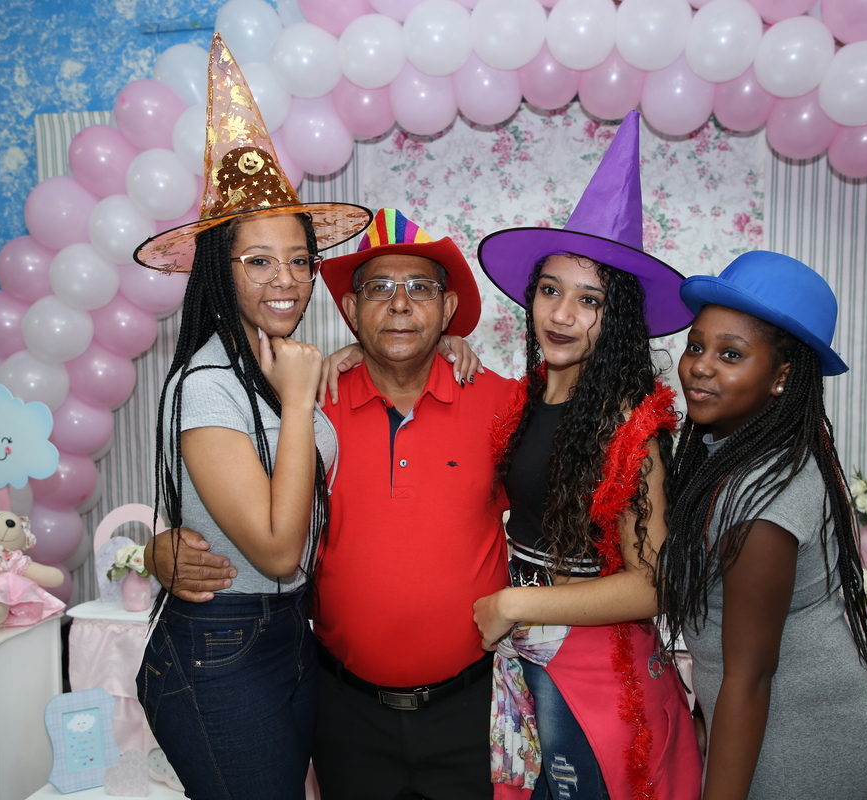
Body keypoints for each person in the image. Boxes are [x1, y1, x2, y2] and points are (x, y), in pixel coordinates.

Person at [147, 206, 515, 800]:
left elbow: (554, 523)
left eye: (421, 289)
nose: (400, 305)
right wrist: (159, 549)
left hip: (470, 707)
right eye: (379, 289)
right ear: (349, 309)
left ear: (448, 309)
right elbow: (230, 490)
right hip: (342, 709)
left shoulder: (503, 404)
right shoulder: (309, 399)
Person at [128, 34, 372, 798]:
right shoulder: (208, 383)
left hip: (288, 635)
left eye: (300, 259)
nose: (287, 280)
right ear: (219, 268)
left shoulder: (278, 366)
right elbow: (275, 548)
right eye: (259, 260)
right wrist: (299, 401)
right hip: (219, 646)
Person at [472, 111, 701, 800]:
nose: (561, 315)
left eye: (588, 300)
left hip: (597, 677)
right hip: (521, 659)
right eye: (550, 290)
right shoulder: (522, 399)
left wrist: (516, 600)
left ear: (618, 316)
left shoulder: (629, 426)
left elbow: (652, 584)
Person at [657, 251, 867, 799]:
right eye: (696, 346)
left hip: (802, 743)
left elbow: (750, 675)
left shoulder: (765, 499)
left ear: (782, 376)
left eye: (730, 354)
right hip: (757, 724)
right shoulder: (729, 454)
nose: (700, 367)